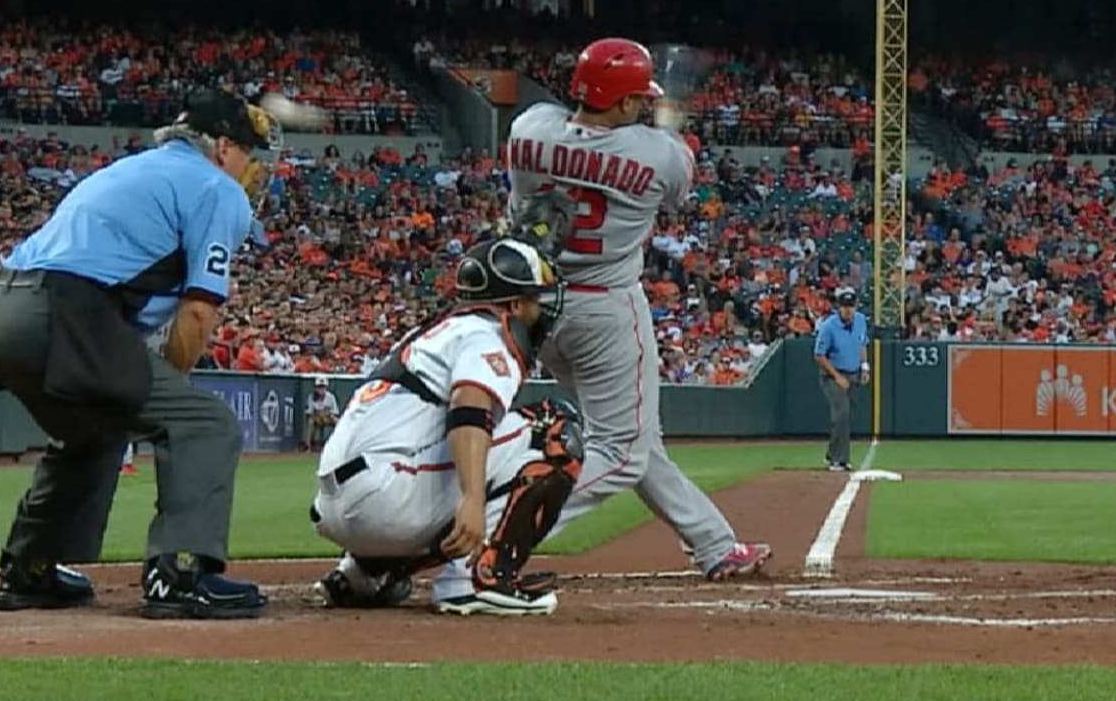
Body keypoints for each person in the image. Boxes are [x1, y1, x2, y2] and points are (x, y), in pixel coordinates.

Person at [453, 36, 770, 608]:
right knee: (622, 452)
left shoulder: (529, 129)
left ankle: (714, 543)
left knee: (637, 438)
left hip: (535, 306)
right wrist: (661, 125)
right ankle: (499, 530)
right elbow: (675, 185)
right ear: (624, 102)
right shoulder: (659, 153)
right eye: (637, 100)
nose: (642, 106)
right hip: (605, 307)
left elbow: (569, 124)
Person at [0, 88, 275, 619]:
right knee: (205, 424)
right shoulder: (217, 189)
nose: (252, 167)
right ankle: (177, 574)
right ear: (223, 147)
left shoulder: (132, 170)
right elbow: (199, 312)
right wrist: (168, 393)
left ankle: (30, 569)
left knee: (95, 430)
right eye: (248, 152)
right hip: (61, 313)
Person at [310, 237, 581, 616]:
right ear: (515, 304)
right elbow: (469, 406)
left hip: (339, 502)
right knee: (555, 429)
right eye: (535, 299)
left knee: (476, 444)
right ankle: (478, 577)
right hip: (386, 496)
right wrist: (472, 499)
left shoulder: (439, 332)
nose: (540, 310)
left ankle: (364, 572)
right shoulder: (488, 333)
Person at [813, 287, 870, 471]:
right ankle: (839, 459)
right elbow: (819, 355)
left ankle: (833, 454)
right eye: (845, 306)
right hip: (832, 374)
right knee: (842, 413)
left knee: (847, 416)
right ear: (839, 307)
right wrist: (837, 377)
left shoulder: (861, 320)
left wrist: (865, 367)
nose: (848, 310)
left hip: (853, 373)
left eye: (851, 306)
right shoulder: (828, 326)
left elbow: (862, 344)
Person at [302, 377, 340, 452]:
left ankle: (338, 445)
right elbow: (309, 412)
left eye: (323, 387)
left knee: (338, 421)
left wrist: (327, 414)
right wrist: (318, 415)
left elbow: (335, 412)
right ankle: (308, 447)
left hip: (328, 418)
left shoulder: (330, 397)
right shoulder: (312, 397)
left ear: (326, 387)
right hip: (317, 418)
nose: (321, 389)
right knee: (310, 421)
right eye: (319, 387)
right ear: (315, 388)